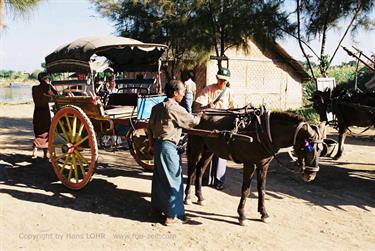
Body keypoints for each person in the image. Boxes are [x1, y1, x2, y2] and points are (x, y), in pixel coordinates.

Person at [147, 80, 201, 226]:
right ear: (175, 93)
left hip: (159, 146)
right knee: (174, 181)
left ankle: (157, 209)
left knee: (159, 178)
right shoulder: (174, 108)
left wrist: (151, 146)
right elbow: (193, 121)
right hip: (168, 147)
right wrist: (201, 114)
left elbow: (150, 129)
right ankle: (172, 216)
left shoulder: (156, 107)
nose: (184, 94)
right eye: (182, 91)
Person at [194, 67, 235, 190]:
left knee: (222, 153)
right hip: (209, 124)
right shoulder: (208, 89)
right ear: (217, 78)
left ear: (227, 81)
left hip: (223, 124)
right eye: (220, 79)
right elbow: (198, 105)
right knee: (206, 150)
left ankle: (219, 181)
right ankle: (205, 179)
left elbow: (233, 107)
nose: (221, 82)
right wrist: (207, 105)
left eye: (224, 80)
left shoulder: (229, 92)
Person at [31, 72, 58, 159]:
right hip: (45, 112)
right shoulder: (47, 87)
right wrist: (50, 85)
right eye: (48, 79)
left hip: (37, 112)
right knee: (46, 133)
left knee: (38, 132)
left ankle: (35, 151)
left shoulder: (34, 88)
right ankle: (45, 155)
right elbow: (56, 94)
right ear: (46, 79)